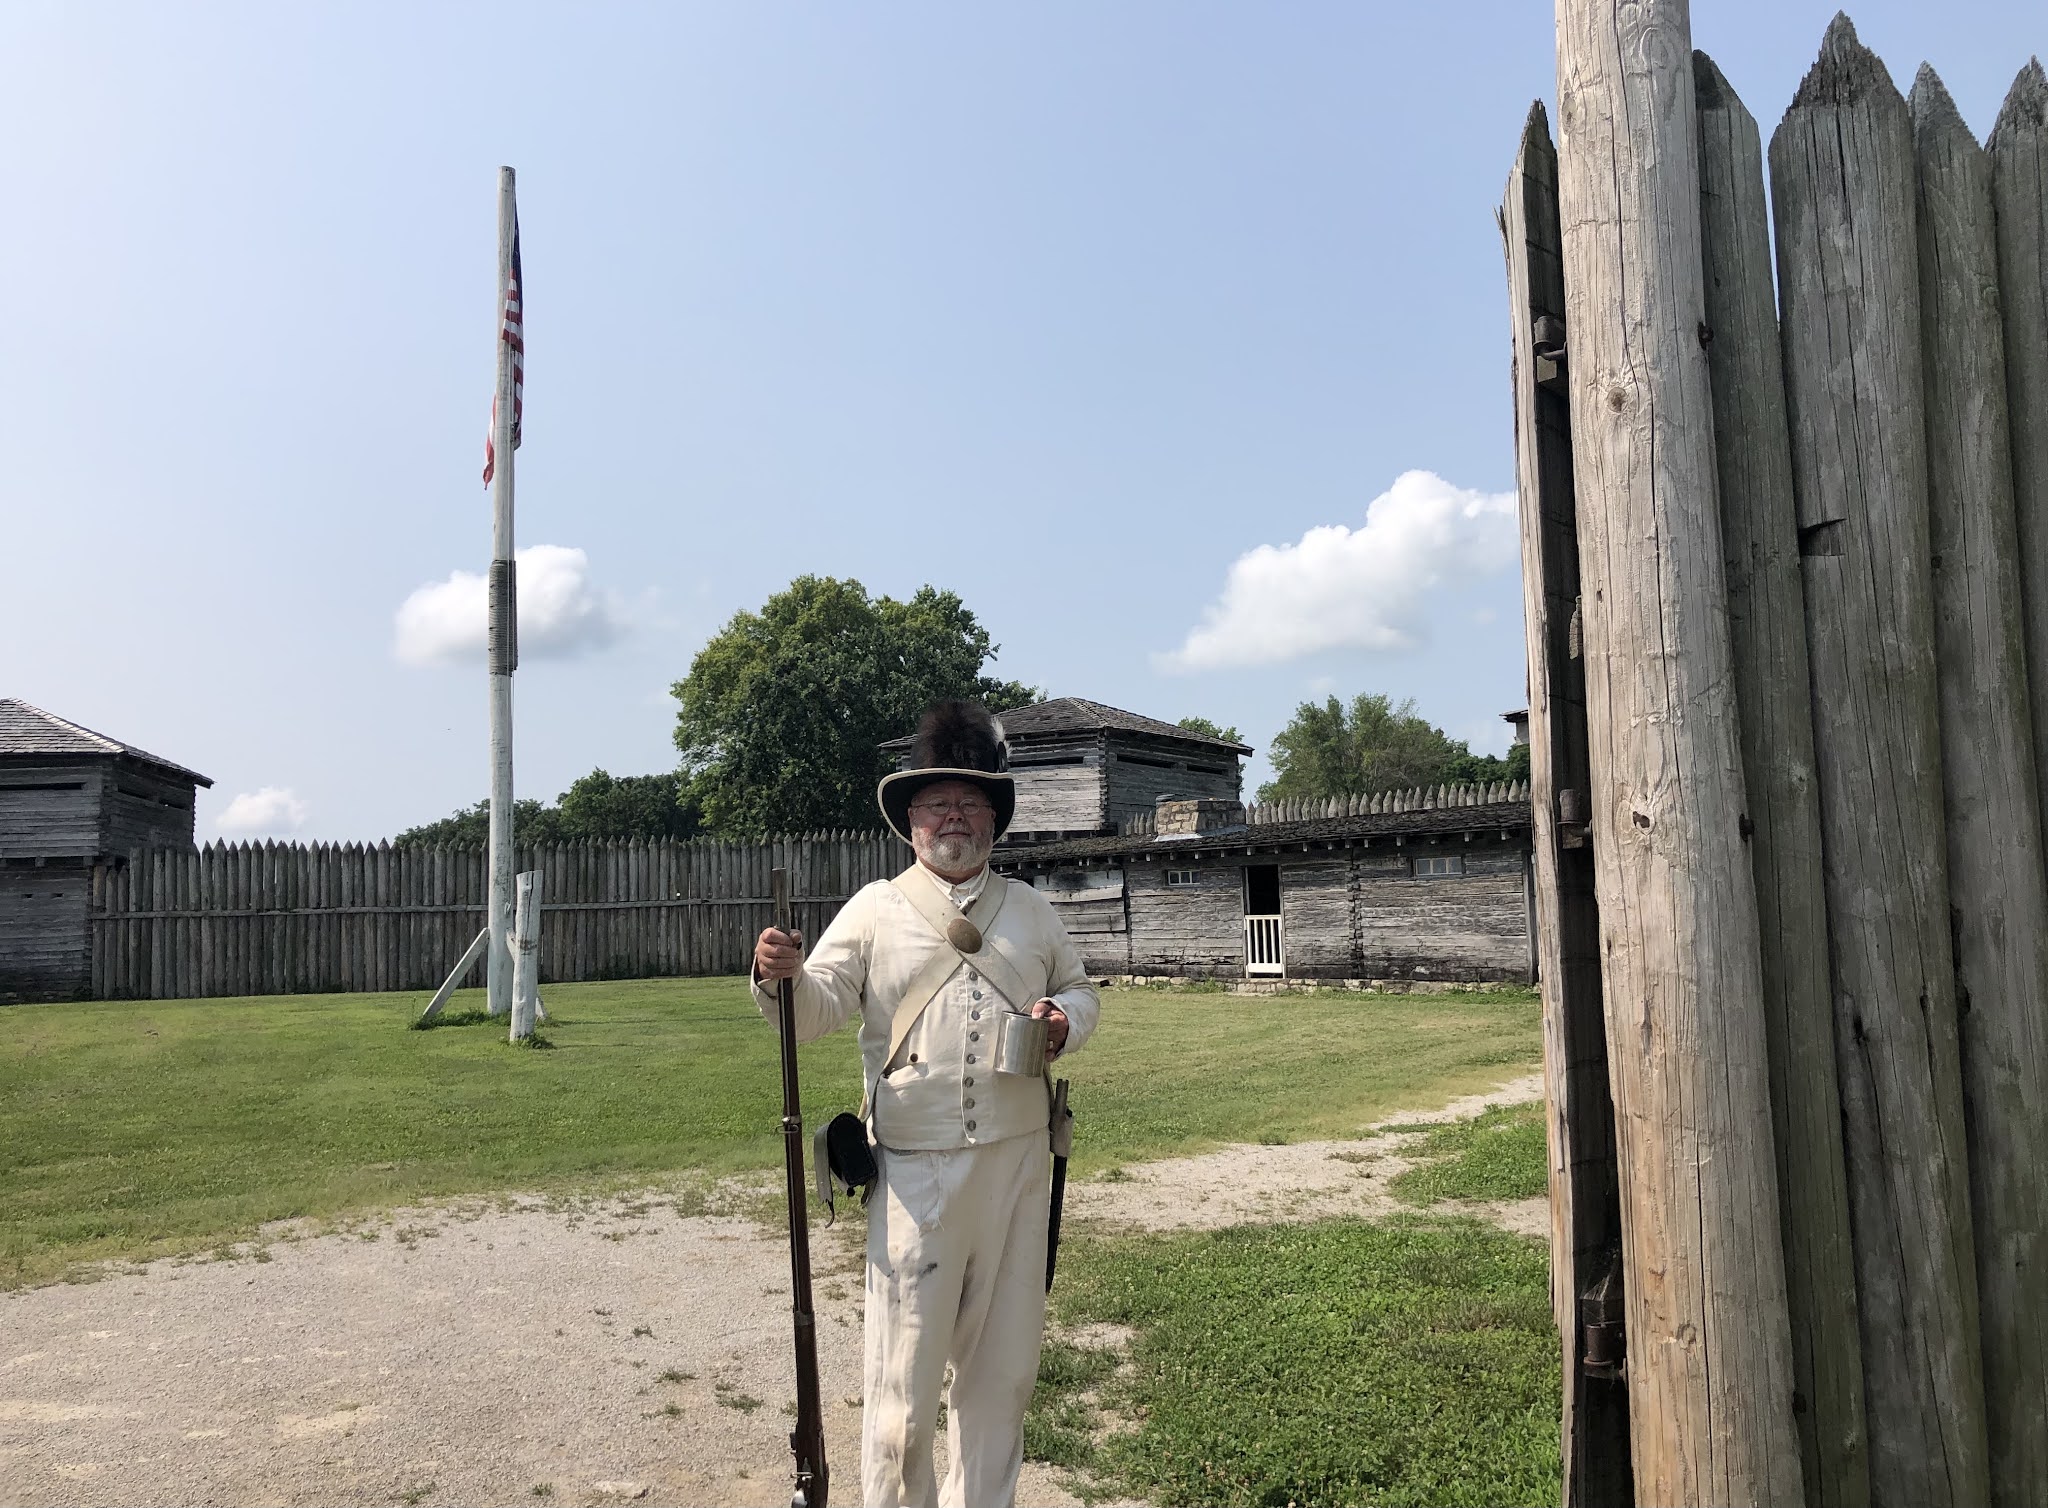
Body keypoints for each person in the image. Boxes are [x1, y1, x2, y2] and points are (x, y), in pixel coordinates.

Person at [752, 699, 1100, 1508]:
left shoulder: (1034, 911)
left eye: (970, 802)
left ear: (993, 818)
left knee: (1001, 1378)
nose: (954, 816)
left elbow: (1081, 992)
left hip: (1018, 1170)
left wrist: (1063, 1022)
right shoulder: (875, 908)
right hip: (913, 1176)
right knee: (902, 1397)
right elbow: (814, 1011)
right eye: (938, 803)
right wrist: (780, 976)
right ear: (911, 819)